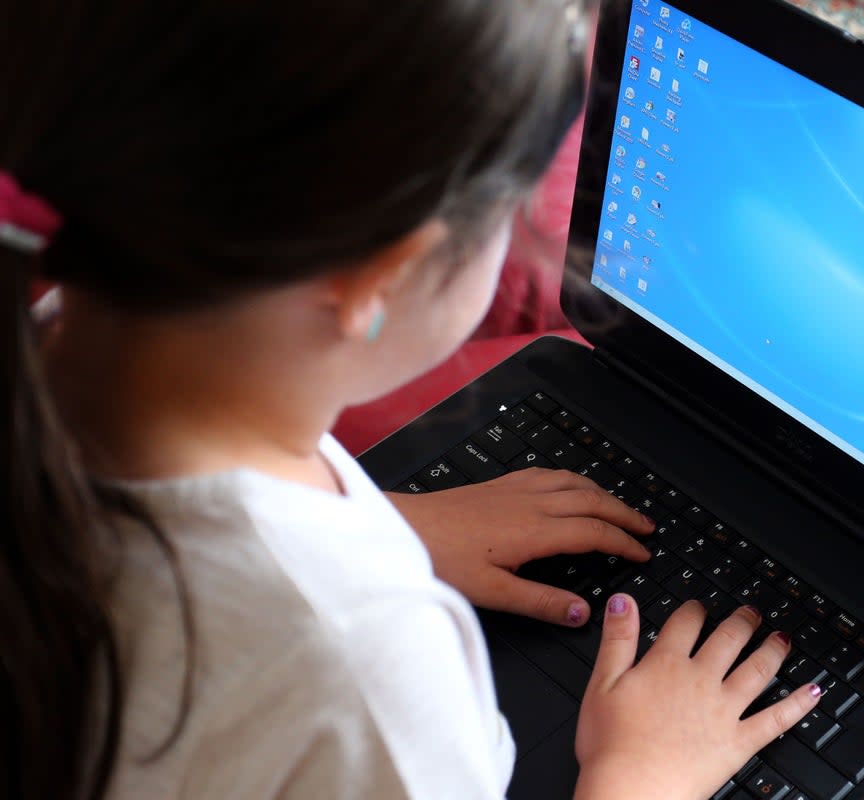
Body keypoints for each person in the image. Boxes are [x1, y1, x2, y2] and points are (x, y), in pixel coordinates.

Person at [0, 1, 821, 798]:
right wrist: (643, 776)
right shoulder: (374, 666)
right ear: (380, 277)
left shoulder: (54, 340)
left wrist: (382, 521)